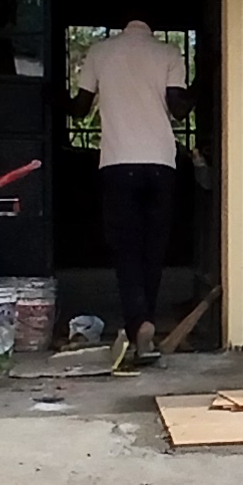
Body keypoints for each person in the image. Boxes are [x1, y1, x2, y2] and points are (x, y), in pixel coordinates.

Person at [69, 20, 192, 365]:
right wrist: (204, 81)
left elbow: (80, 109)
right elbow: (179, 108)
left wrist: (49, 96)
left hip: (118, 163)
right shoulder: (168, 53)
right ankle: (144, 329)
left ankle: (138, 322)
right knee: (153, 248)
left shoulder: (100, 52)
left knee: (126, 249)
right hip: (161, 164)